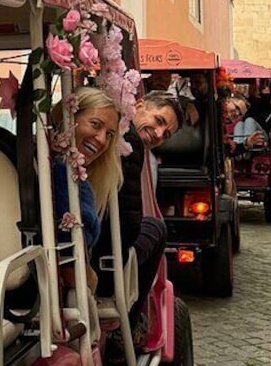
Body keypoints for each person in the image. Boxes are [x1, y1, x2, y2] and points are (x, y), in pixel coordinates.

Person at [94, 90, 182, 354]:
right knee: (156, 228)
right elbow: (129, 227)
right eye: (158, 121)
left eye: (165, 134)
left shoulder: (120, 136)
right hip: (105, 259)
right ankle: (127, 324)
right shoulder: (128, 142)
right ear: (139, 105)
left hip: (93, 246)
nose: (158, 134)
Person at [51, 87, 122, 290]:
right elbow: (72, 267)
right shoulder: (66, 177)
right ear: (68, 118)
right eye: (95, 125)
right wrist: (92, 279)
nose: (101, 140)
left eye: (109, 135)